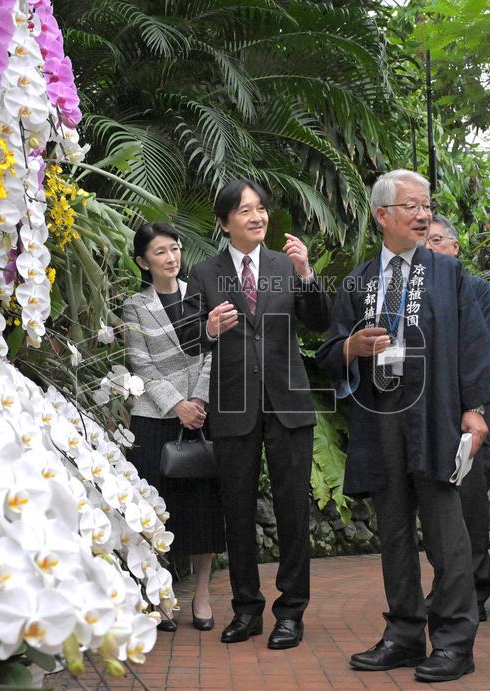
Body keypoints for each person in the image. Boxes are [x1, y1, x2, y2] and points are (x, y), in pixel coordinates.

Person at [316, 170, 490, 682]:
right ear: (383, 215)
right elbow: (330, 349)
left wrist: (477, 410)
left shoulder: (450, 276)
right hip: (380, 421)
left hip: (438, 417)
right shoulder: (358, 282)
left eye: (426, 206)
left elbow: (475, 347)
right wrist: (352, 347)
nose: (424, 215)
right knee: (395, 533)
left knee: (448, 536)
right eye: (412, 207)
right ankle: (403, 634)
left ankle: (453, 642)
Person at [176, 179, 331, 650]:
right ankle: (246, 610)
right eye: (245, 211)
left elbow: (321, 321)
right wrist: (207, 327)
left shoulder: (288, 265)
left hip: (287, 405)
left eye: (261, 208)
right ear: (225, 222)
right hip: (233, 408)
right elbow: (188, 340)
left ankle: (291, 613)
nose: (257, 217)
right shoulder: (204, 273)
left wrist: (307, 275)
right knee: (237, 512)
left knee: (291, 512)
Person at [122, 222, 226, 632]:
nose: (171, 258)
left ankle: (201, 594)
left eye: (175, 249)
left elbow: (212, 353)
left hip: (199, 418)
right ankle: (160, 596)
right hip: (153, 420)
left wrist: (196, 401)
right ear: (143, 261)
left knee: (203, 509)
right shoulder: (135, 305)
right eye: (161, 252)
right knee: (154, 512)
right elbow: (140, 364)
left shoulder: (199, 298)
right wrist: (175, 404)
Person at [426, 214, 490, 622]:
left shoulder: (477, 289)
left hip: (471, 417)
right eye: (426, 241)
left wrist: (473, 409)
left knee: (471, 506)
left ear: (456, 248)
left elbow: (486, 353)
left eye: (438, 240)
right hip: (432, 419)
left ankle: (475, 590)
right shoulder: (420, 293)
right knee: (439, 510)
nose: (431, 247)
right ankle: (445, 587)